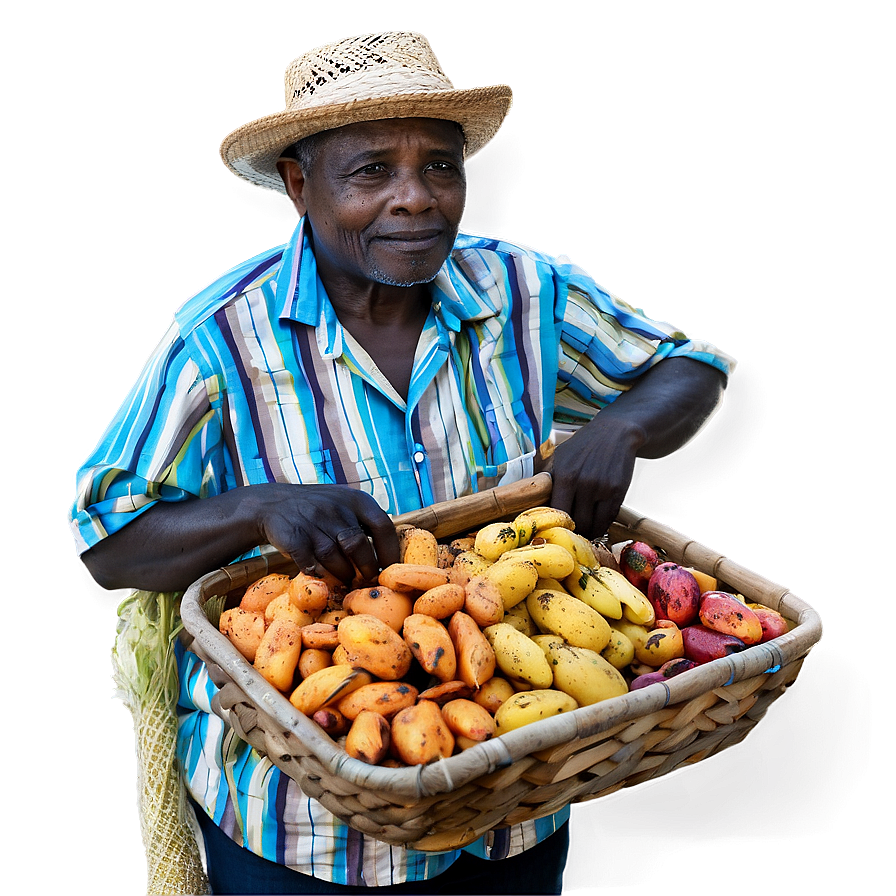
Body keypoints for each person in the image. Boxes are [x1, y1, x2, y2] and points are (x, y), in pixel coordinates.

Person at [70, 30, 735, 895]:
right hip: (305, 827)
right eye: (372, 170)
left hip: (513, 801)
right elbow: (111, 540)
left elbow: (689, 369)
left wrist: (625, 431)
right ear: (299, 183)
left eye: (442, 167)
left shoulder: (522, 294)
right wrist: (258, 506)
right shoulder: (221, 339)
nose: (417, 200)